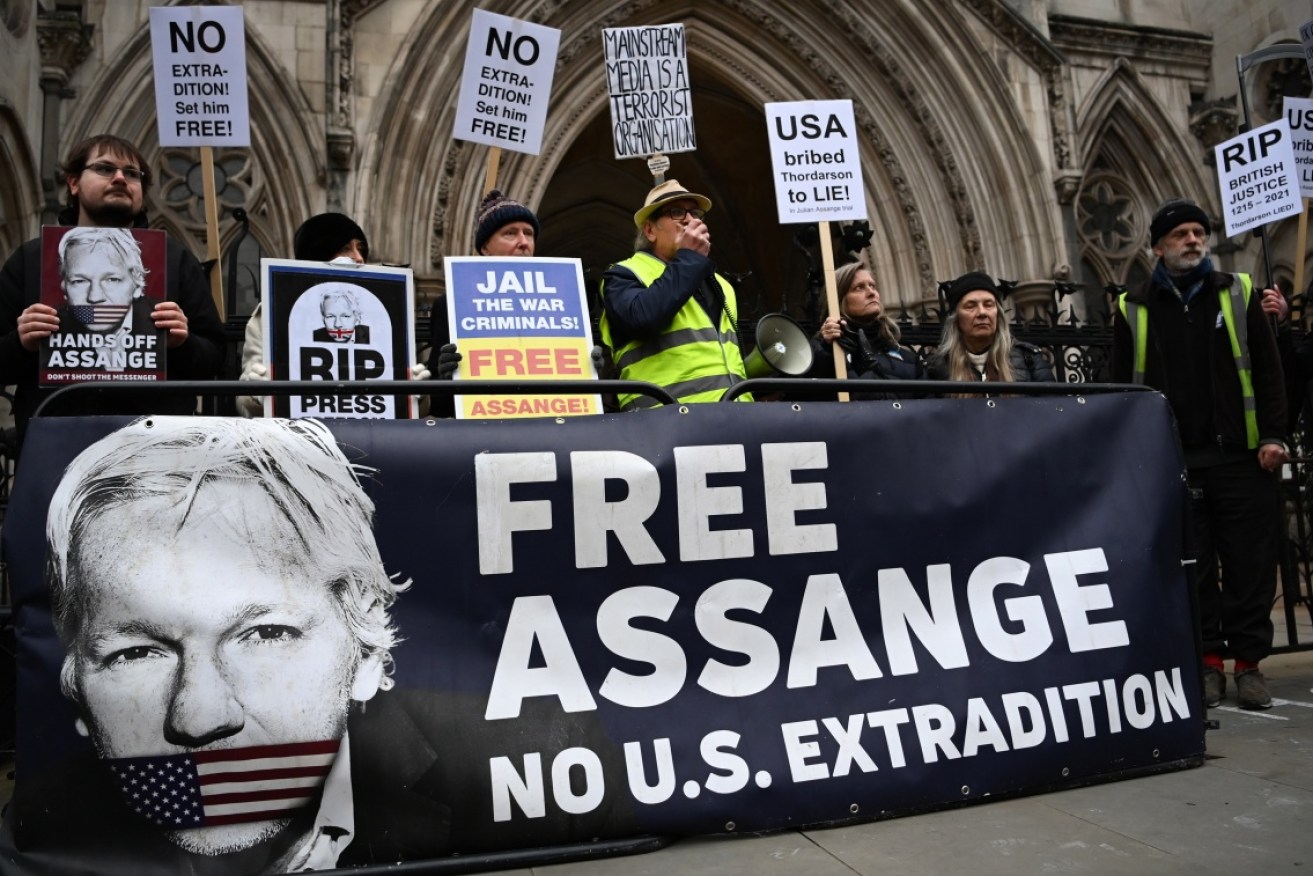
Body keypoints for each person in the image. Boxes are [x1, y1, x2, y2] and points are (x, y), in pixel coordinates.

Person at [37, 417, 407, 872]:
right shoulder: (45, 831)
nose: (200, 718)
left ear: (365, 653)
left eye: (266, 634)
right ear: (76, 689)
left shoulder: (478, 786)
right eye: (135, 653)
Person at [1111, 197, 1288, 710]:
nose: (1193, 240)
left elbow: (1269, 369)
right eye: (1182, 234)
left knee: (1249, 565)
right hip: (1175, 459)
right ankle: (1208, 663)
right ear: (1158, 247)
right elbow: (1122, 389)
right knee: (1194, 566)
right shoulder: (1133, 306)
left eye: (1199, 232)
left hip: (1242, 456)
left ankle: (1249, 666)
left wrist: (1274, 435)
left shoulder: (1237, 292)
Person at [0, 134, 225, 451]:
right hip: (56, 443)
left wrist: (183, 343)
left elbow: (215, 357)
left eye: (132, 174)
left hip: (154, 448)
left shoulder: (175, 261)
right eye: (105, 168)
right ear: (74, 182)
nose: (120, 178)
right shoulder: (31, 260)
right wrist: (21, 343)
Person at [237, 213, 428, 417]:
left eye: (360, 248)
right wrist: (255, 393)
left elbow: (415, 411)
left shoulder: (384, 313)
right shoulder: (271, 314)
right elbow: (243, 403)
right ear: (319, 253)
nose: (359, 257)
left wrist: (419, 396)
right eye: (346, 248)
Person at [598, 179, 751, 409]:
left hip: (736, 416)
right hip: (667, 424)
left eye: (695, 212)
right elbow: (642, 319)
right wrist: (689, 258)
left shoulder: (721, 285)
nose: (691, 219)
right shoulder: (623, 275)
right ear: (650, 230)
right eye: (677, 212)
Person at [426, 189, 541, 384]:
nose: (523, 242)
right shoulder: (452, 305)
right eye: (510, 233)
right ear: (485, 248)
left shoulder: (557, 302)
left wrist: (587, 367)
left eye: (528, 234)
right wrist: (444, 377)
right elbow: (438, 403)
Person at [812, 260, 924, 395]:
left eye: (873, 286)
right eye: (859, 288)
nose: (872, 293)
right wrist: (826, 351)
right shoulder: (822, 351)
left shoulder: (908, 359)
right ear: (840, 300)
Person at [925, 271, 1054, 385]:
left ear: (998, 314)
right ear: (956, 319)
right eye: (970, 306)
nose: (982, 312)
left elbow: (1052, 406)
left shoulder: (1029, 359)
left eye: (988, 304)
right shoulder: (936, 368)